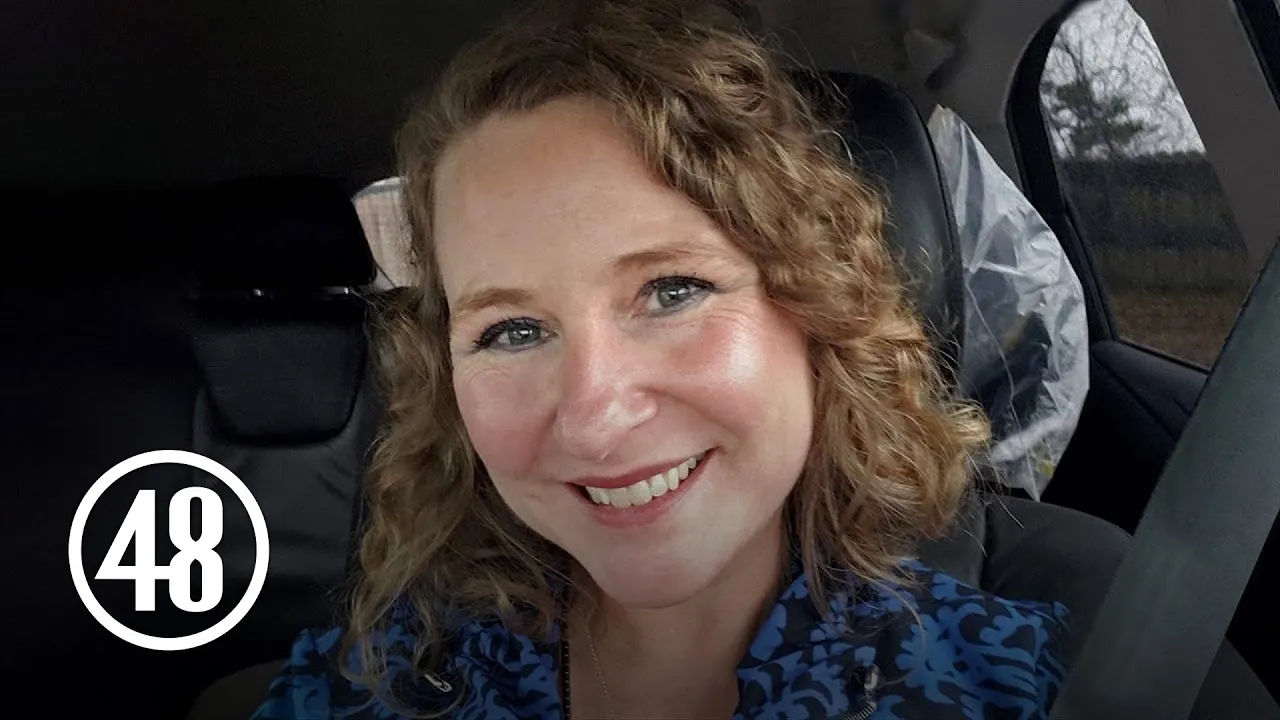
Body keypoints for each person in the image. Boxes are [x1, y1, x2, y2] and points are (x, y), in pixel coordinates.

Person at [253, 0, 1069, 717]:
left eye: (673, 291)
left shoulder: (1026, 686)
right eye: (513, 331)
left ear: (816, 307)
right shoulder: (377, 684)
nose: (595, 418)